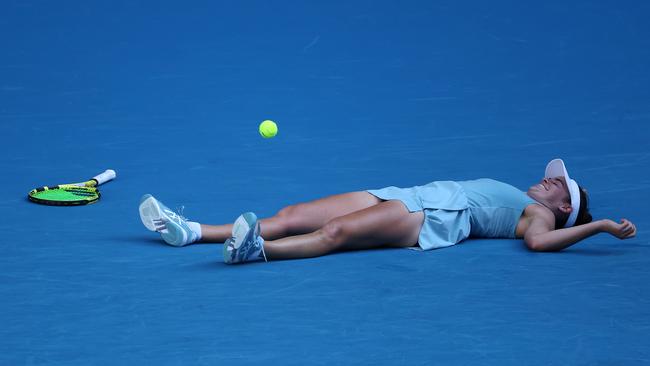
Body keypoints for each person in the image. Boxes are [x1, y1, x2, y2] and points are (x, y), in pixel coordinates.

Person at [138, 158, 637, 264]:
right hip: (403, 192)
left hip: (431, 219)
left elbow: (539, 244)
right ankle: (192, 229)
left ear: (564, 205)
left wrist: (599, 227)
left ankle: (257, 250)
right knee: (293, 211)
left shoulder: (542, 218)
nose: (551, 177)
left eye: (560, 183)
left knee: (334, 232)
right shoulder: (529, 197)